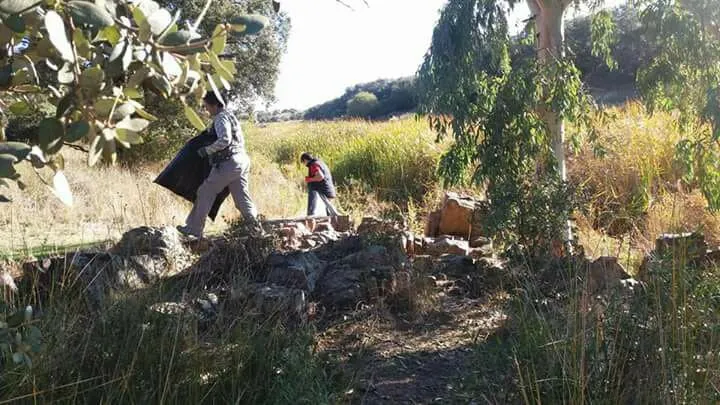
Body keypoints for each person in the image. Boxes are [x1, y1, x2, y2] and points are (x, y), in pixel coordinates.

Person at [177, 92, 263, 238]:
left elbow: (225, 140)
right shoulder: (230, 116)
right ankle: (256, 228)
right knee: (242, 199)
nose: (206, 110)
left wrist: (207, 150)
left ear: (215, 105)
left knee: (205, 192)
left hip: (229, 162)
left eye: (207, 106)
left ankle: (194, 229)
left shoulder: (220, 118)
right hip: (242, 160)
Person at [301, 152, 341, 217]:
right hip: (329, 188)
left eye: (303, 162)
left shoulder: (313, 165)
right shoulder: (320, 163)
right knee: (330, 212)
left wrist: (309, 179)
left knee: (331, 212)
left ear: (305, 160)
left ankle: (311, 214)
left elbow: (320, 177)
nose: (304, 164)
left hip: (323, 190)